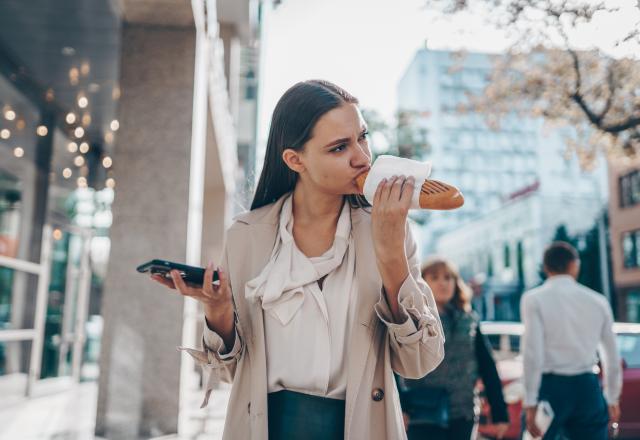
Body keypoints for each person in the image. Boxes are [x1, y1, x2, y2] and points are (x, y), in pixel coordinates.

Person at [150, 80, 445, 440]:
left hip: (361, 427)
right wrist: (218, 311)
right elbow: (232, 373)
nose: (362, 157)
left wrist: (390, 254)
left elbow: (419, 362)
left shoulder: (389, 229)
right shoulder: (247, 235)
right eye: (339, 147)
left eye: (362, 137)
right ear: (294, 159)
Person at [397, 257, 510, 440]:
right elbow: (396, 366)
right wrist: (400, 407)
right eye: (435, 277)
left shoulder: (469, 319)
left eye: (448, 277)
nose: (443, 283)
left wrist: (500, 414)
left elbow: (487, 366)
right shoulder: (412, 319)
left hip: (462, 413)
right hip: (421, 413)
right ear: (422, 282)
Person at [521, 241, 622, 439]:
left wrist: (530, 402)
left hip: (551, 389)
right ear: (574, 265)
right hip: (588, 388)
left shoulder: (534, 299)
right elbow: (611, 355)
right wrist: (612, 398)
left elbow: (533, 353)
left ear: (545, 268)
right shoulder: (598, 301)